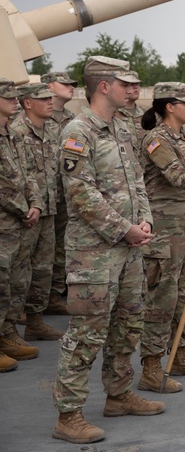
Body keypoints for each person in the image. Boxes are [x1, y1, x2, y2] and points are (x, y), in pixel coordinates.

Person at [52, 57, 162, 445]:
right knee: (87, 333)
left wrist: (144, 221)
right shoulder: (78, 131)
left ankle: (118, 395)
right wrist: (125, 229)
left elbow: (138, 182)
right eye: (126, 84)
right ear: (103, 86)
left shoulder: (122, 127)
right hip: (93, 252)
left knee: (129, 324)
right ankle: (69, 414)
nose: (134, 91)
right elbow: (80, 193)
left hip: (129, 248)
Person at [137, 82, 185, 394]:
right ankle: (152, 366)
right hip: (166, 229)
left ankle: (180, 354)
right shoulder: (157, 139)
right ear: (169, 106)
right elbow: (179, 179)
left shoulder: (183, 136)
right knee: (163, 297)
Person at [9, 84, 64, 342]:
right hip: (24, 213)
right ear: (27, 103)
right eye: (43, 99)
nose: (50, 102)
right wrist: (27, 205)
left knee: (44, 268)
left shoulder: (53, 129)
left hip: (49, 208)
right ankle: (9, 327)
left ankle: (35, 321)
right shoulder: (17, 132)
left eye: (50, 98)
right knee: (19, 271)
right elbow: (18, 175)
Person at [0, 77, 43, 372]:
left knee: (15, 282)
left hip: (18, 222)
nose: (16, 101)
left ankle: (6, 334)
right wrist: (23, 207)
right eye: (9, 98)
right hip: (6, 220)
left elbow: (28, 175)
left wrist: (36, 203)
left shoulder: (12, 135)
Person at [42, 71, 78, 315]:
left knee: (61, 247)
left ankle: (53, 295)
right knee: (40, 251)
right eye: (64, 83)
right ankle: (31, 304)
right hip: (42, 195)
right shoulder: (33, 117)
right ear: (49, 86)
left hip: (65, 193)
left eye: (72, 84)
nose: (71, 87)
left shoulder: (72, 119)